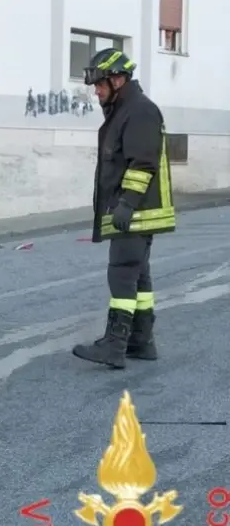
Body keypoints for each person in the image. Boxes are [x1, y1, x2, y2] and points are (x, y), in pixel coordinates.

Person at [72, 48, 174, 369]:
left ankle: (115, 346)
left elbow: (142, 163)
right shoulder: (126, 110)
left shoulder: (139, 111)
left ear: (118, 79)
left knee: (121, 277)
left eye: (100, 84)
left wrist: (127, 204)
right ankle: (141, 341)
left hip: (135, 213)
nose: (96, 91)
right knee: (138, 278)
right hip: (136, 214)